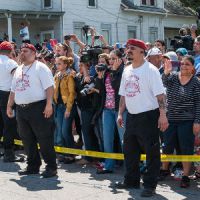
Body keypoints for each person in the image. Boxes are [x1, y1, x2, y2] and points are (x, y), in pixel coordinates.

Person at [115, 39, 168, 198]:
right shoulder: (127, 70)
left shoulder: (150, 70)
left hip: (149, 117)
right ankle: (131, 180)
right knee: (130, 151)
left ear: (141, 51)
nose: (128, 51)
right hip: (132, 116)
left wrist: (163, 115)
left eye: (132, 48)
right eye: (128, 48)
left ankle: (150, 185)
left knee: (152, 153)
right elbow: (123, 95)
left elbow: (160, 95)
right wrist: (119, 113)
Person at [7, 43, 57, 178]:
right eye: (21, 51)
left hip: (38, 107)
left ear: (34, 53)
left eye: (26, 51)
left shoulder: (40, 67)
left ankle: (51, 167)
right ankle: (33, 166)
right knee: (27, 139)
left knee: (44, 138)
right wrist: (9, 106)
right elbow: (13, 90)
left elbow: (49, 87)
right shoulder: (18, 69)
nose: (22, 53)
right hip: (21, 110)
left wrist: (48, 105)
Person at [160, 55, 200, 188]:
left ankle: (186, 176)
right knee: (167, 146)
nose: (183, 66)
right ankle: (164, 170)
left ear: (193, 68)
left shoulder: (196, 82)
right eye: (182, 63)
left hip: (187, 120)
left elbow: (199, 103)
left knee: (186, 148)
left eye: (187, 64)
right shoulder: (173, 77)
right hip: (170, 119)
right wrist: (166, 72)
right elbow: (163, 82)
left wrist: (197, 122)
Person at [96, 49, 126, 174]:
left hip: (120, 110)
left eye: (114, 58)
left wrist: (116, 70)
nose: (112, 61)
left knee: (124, 139)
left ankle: (130, 166)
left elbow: (117, 87)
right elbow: (101, 91)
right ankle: (109, 165)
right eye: (110, 59)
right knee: (107, 138)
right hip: (107, 110)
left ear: (120, 59)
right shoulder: (107, 72)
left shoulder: (124, 71)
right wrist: (99, 78)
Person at [54, 56, 76, 164]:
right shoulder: (57, 75)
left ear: (65, 65)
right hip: (58, 107)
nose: (57, 65)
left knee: (65, 131)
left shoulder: (69, 76)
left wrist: (68, 109)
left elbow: (72, 93)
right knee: (61, 132)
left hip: (68, 106)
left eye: (59, 63)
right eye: (56, 63)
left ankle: (71, 154)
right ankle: (64, 153)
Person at [0, 41, 18, 162]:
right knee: (9, 125)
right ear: (10, 51)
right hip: (6, 94)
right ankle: (8, 153)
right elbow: (17, 78)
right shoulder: (10, 62)